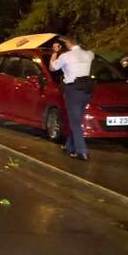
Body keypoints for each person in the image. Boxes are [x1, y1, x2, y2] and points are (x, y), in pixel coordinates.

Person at [49, 33, 95, 161]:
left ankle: (82, 151)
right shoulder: (89, 54)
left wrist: (54, 52)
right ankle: (70, 146)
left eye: (65, 43)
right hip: (86, 91)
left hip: (73, 91)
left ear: (69, 43)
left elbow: (52, 68)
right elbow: (89, 51)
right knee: (77, 120)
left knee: (75, 122)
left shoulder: (65, 56)